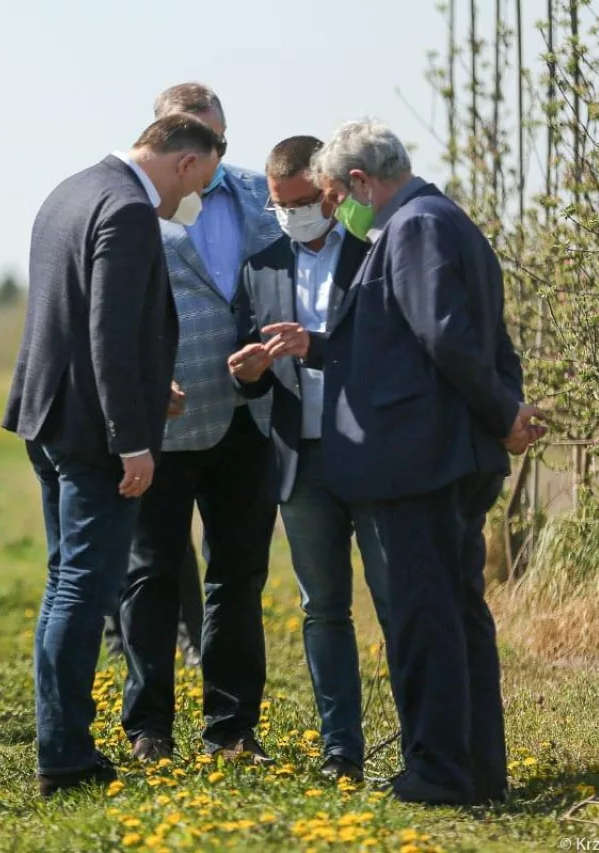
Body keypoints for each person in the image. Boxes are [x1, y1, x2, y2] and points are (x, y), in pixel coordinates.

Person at [264, 119, 546, 806]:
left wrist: (503, 413)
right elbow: (422, 340)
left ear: (361, 181)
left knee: (427, 619)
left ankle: (438, 770)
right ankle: (479, 767)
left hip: (421, 462)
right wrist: (320, 345)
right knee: (456, 613)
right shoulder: (444, 220)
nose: (334, 210)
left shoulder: (413, 228)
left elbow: (446, 340)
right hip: (445, 455)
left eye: (333, 195)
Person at [2, 113, 224, 797]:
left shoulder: (72, 189)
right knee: (83, 588)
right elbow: (107, 331)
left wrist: (149, 386)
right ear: (186, 163)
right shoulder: (128, 210)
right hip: (94, 434)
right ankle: (64, 754)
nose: (187, 204)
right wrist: (134, 439)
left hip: (49, 415)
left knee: (63, 581)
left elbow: (76, 317)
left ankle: (59, 737)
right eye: (199, 185)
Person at [120, 83, 281, 764]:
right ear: (169, 140)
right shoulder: (132, 206)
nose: (213, 153)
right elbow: (114, 309)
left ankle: (231, 729)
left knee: (238, 577)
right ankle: (148, 727)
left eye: (219, 138)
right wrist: (142, 384)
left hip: (247, 416)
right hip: (167, 418)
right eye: (198, 139)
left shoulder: (252, 195)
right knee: (153, 576)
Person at [228, 135, 389, 783]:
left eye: (299, 201)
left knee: (395, 597)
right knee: (323, 608)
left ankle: (423, 740)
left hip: (372, 457)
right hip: (301, 461)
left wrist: (314, 345)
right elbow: (252, 369)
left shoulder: (375, 257)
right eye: (277, 205)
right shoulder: (260, 268)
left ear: (328, 193)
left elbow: (388, 354)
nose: (289, 214)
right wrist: (246, 372)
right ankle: (340, 750)